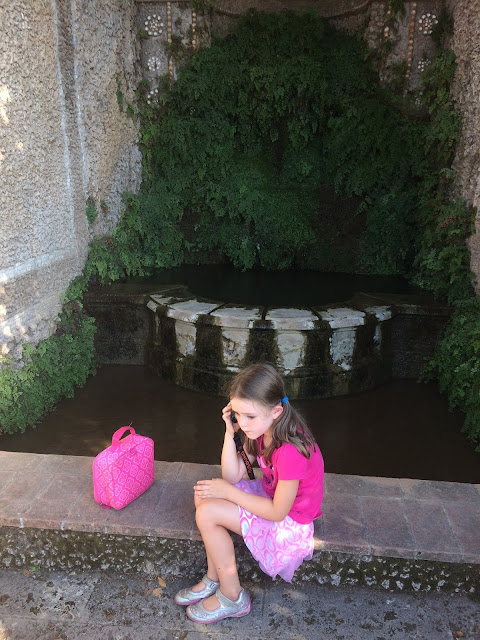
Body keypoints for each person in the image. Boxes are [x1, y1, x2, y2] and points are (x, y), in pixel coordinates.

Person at [174, 362, 324, 624]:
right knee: (204, 495)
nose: (242, 423)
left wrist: (228, 493)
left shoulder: (291, 450)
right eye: (237, 414)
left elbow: (277, 513)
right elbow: (233, 475)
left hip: (289, 522)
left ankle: (232, 596)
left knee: (208, 512)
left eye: (249, 417)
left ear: (276, 411)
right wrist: (229, 433)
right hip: (270, 496)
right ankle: (215, 576)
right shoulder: (261, 429)